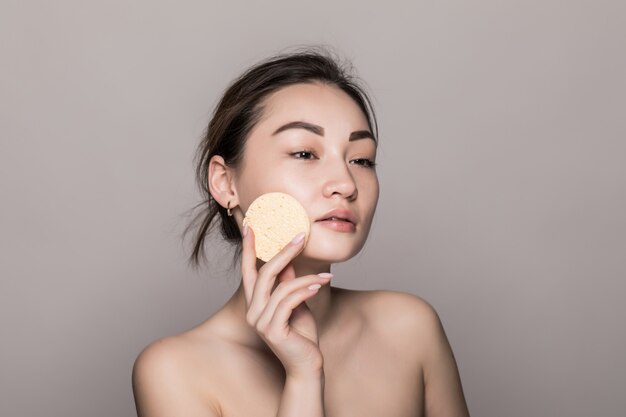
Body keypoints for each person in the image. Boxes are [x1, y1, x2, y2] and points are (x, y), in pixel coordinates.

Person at [132, 48, 470, 417]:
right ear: (225, 182)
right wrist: (304, 378)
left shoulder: (409, 327)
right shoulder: (174, 371)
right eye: (305, 154)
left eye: (361, 159)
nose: (345, 183)